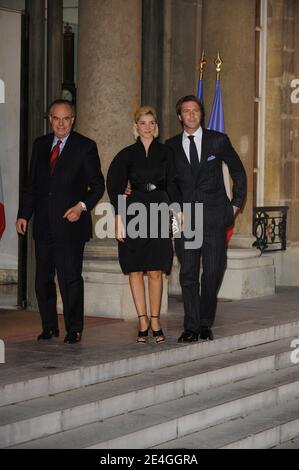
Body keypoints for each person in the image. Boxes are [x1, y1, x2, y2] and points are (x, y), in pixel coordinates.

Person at [16, 99, 105, 344]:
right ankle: (49, 327)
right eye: (56, 118)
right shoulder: (40, 145)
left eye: (66, 118)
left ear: (73, 120)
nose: (61, 123)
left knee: (69, 279)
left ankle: (74, 328)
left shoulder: (85, 146)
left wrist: (81, 207)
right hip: (43, 225)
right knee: (42, 279)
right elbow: (31, 185)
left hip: (71, 225)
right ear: (50, 120)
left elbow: (98, 185)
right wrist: (24, 214)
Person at [165, 95, 247, 342]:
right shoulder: (170, 146)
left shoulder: (217, 141)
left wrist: (235, 205)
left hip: (214, 217)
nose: (191, 115)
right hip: (184, 218)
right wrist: (174, 211)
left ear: (201, 114)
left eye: (195, 111)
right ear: (179, 116)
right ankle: (191, 326)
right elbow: (168, 183)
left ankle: (204, 321)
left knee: (213, 271)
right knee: (188, 273)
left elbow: (238, 171)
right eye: (186, 111)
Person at [107, 106, 179, 343]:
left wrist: (176, 216)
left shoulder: (167, 153)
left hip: (159, 209)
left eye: (151, 122)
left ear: (155, 126)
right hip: (132, 213)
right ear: (136, 126)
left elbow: (175, 185)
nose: (147, 127)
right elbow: (115, 185)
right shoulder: (126, 154)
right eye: (143, 122)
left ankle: (156, 319)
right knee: (136, 269)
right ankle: (142, 320)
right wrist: (118, 219)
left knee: (156, 269)